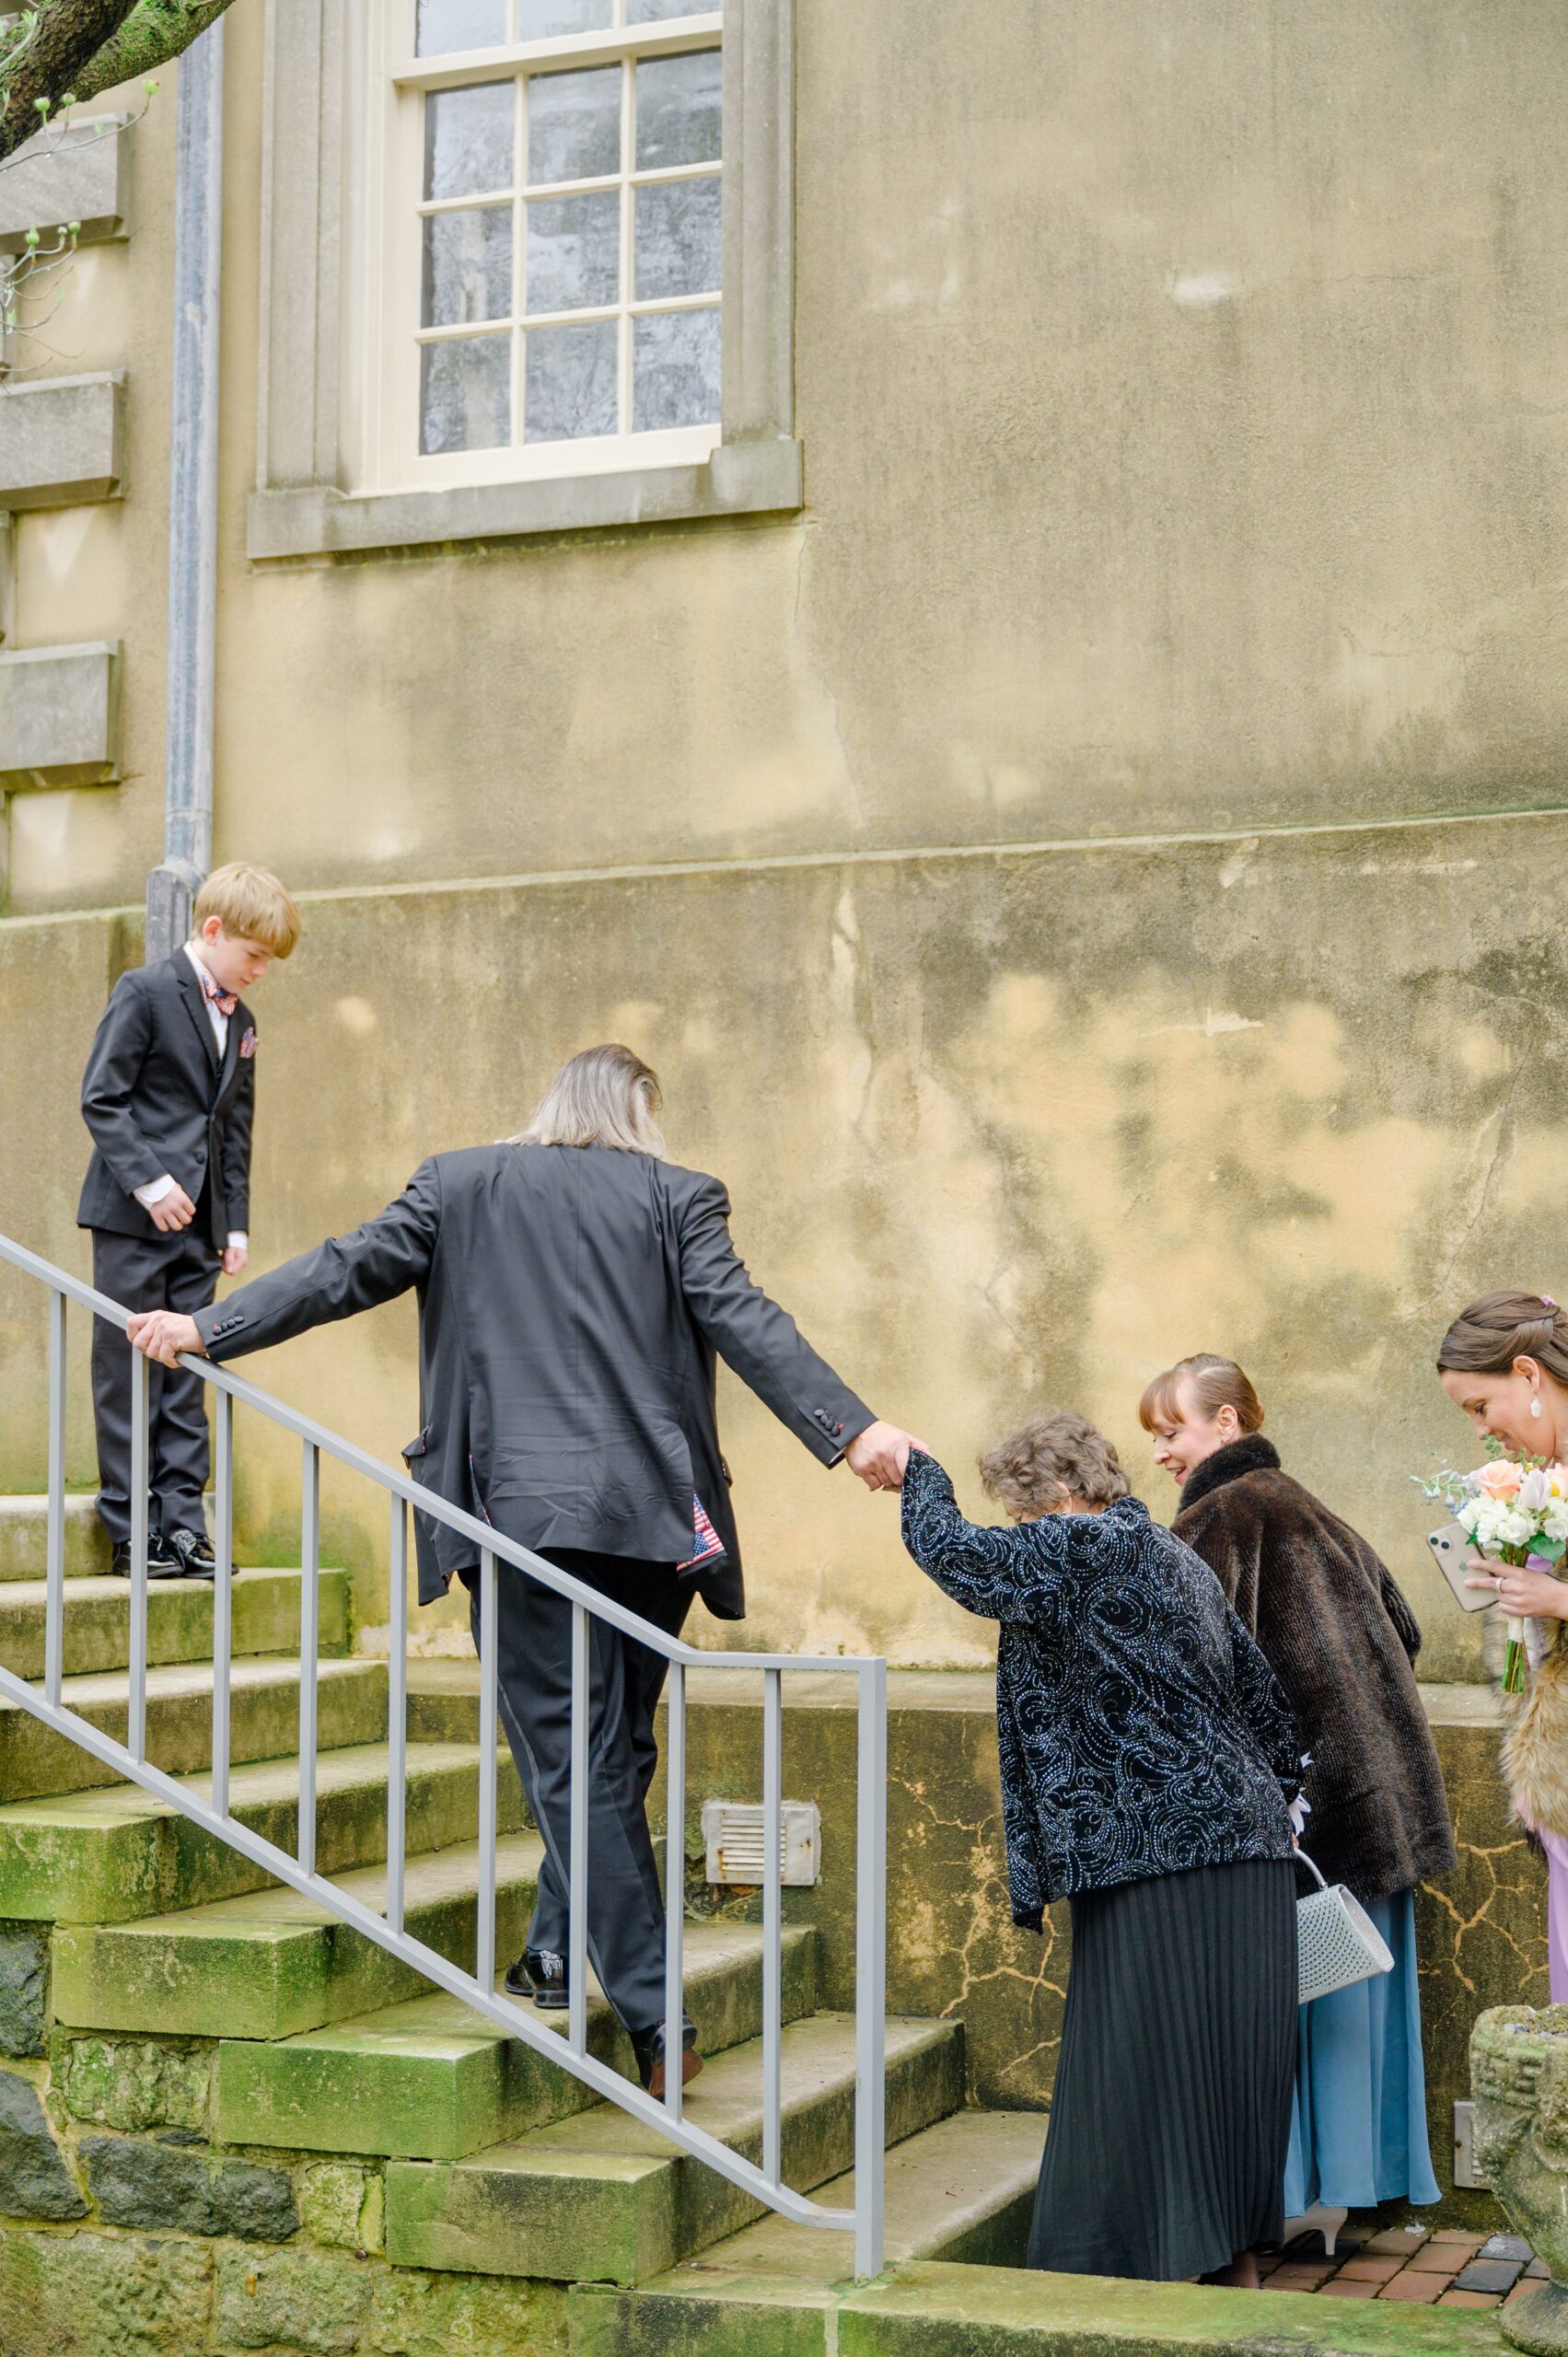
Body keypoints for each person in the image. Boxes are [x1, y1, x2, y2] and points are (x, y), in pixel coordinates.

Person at [127, 1043, 921, 2096]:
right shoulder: (675, 1193)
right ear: (640, 1113)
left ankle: (651, 2014)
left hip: (515, 1522)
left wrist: (206, 1328)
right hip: (651, 1523)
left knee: (571, 1760)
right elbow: (746, 1320)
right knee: (609, 1750)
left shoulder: (458, 1182)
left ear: (551, 1104)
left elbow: (340, 1267)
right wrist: (851, 1429)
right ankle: (554, 1952)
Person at [900, 1410, 1302, 2288]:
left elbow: (960, 1560)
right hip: (1243, 1840)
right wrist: (1261, 1807)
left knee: (1137, 2064)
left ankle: (1123, 2269)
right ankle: (1224, 2265)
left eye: (1020, 1513)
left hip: (1159, 1847)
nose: (1017, 1531)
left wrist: (914, 1471)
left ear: (1057, 1495)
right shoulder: (1167, 1555)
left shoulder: (1081, 1545)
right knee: (1224, 2067)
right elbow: (1267, 1708)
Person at [1141, 1354, 1452, 2222]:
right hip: (1380, 1800)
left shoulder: (1216, 1518)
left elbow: (1187, 1671)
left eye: (1172, 1430)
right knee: (1362, 1993)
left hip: (1304, 1813)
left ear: (1227, 1424)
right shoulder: (1314, 1508)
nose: (1162, 1452)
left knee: (1290, 2003)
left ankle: (1286, 2201)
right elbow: (1406, 1628)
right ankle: (1360, 2187)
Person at [78, 863, 301, 1580]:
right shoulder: (143, 991)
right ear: (213, 931)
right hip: (132, 1218)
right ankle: (130, 1529)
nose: (262, 971)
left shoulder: (244, 1020)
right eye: (255, 955)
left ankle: (183, 1526)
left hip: (201, 1230)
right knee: (126, 1370)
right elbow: (102, 1098)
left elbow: (232, 1126)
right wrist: (151, 1184)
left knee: (188, 1373)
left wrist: (232, 1223)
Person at [1435, 1291, 1568, 2002]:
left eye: (1479, 1407)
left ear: (1527, 1374)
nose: (1485, 1432)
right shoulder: (1539, 1483)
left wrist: (1557, 1599)